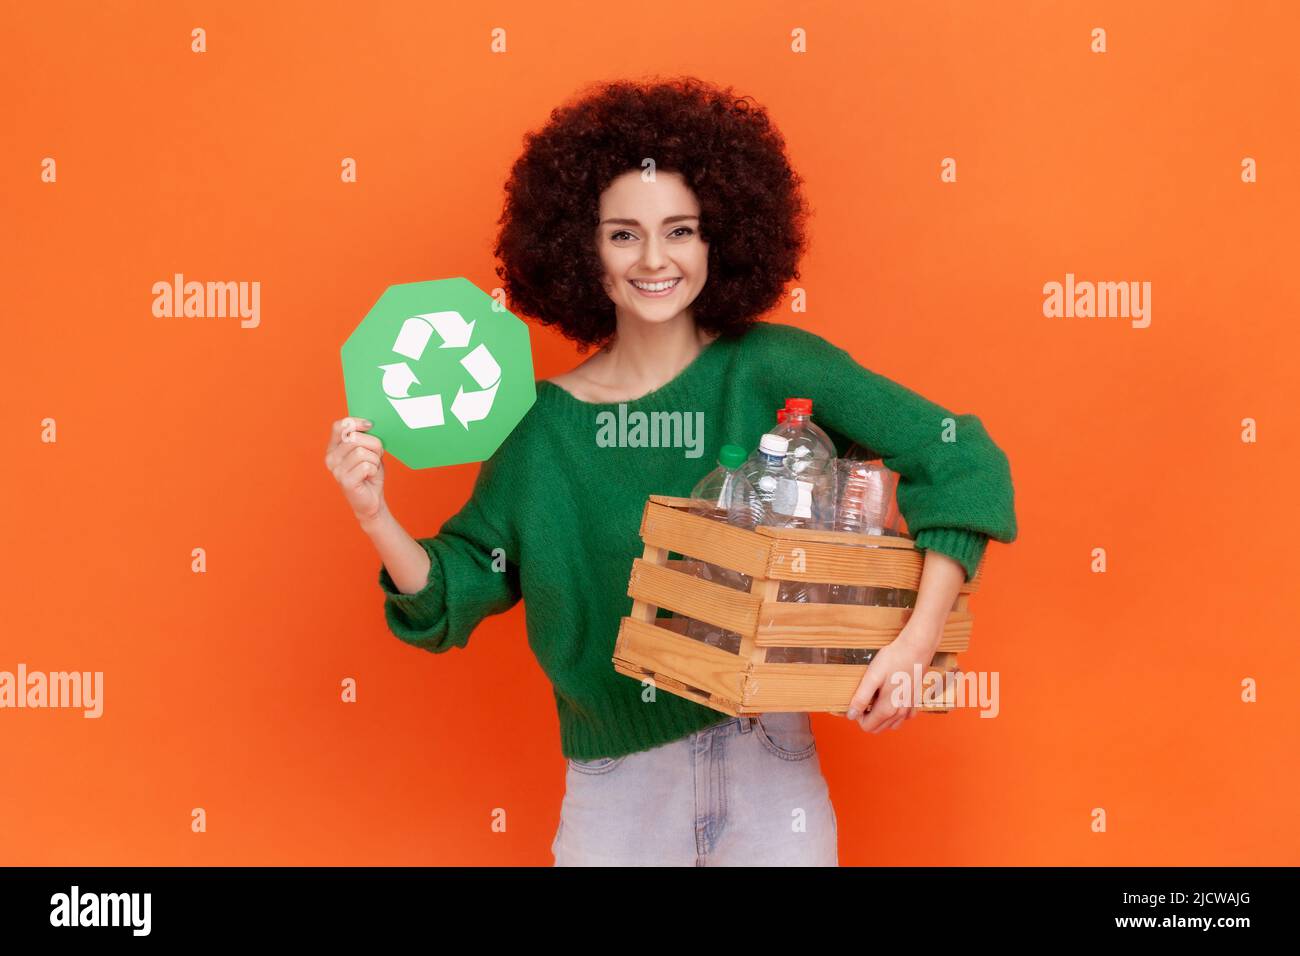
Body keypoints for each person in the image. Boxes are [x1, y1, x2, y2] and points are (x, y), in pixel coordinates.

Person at [324, 76, 1018, 866]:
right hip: (617, 792)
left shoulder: (771, 366)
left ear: (718, 238)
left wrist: (916, 643)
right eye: (623, 235)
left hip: (770, 762)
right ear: (582, 249)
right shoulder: (537, 428)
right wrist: (373, 512)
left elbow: (958, 454)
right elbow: (454, 590)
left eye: (679, 230)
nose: (654, 259)